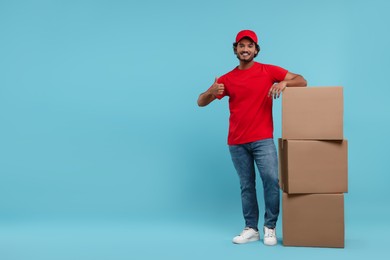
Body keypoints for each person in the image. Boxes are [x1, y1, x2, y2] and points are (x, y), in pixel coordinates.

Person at [197, 30, 307, 246]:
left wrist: (284, 83)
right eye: (241, 45)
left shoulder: (268, 71)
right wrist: (211, 91)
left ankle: (270, 228)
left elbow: (302, 81)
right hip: (236, 141)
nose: (245, 49)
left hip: (262, 139)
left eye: (249, 45)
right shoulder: (226, 78)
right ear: (235, 49)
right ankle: (251, 228)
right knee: (246, 185)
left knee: (270, 181)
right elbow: (200, 102)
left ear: (256, 50)